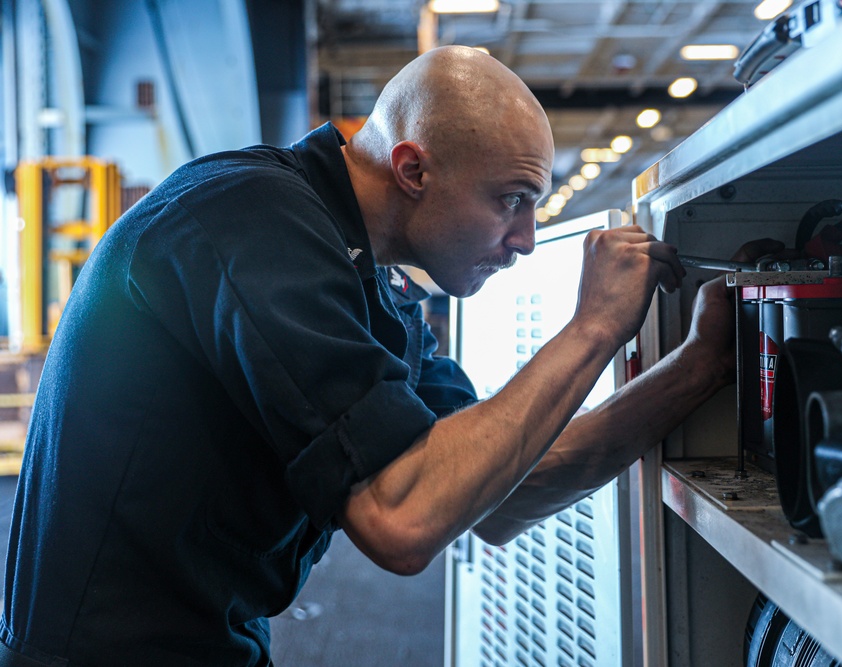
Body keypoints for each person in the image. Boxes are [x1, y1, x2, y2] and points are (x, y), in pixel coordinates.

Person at [0, 46, 752, 666]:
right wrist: (592, 328)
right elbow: (404, 517)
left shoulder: (373, 288)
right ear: (414, 169)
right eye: (511, 200)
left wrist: (696, 370)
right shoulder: (255, 219)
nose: (524, 240)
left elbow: (506, 489)